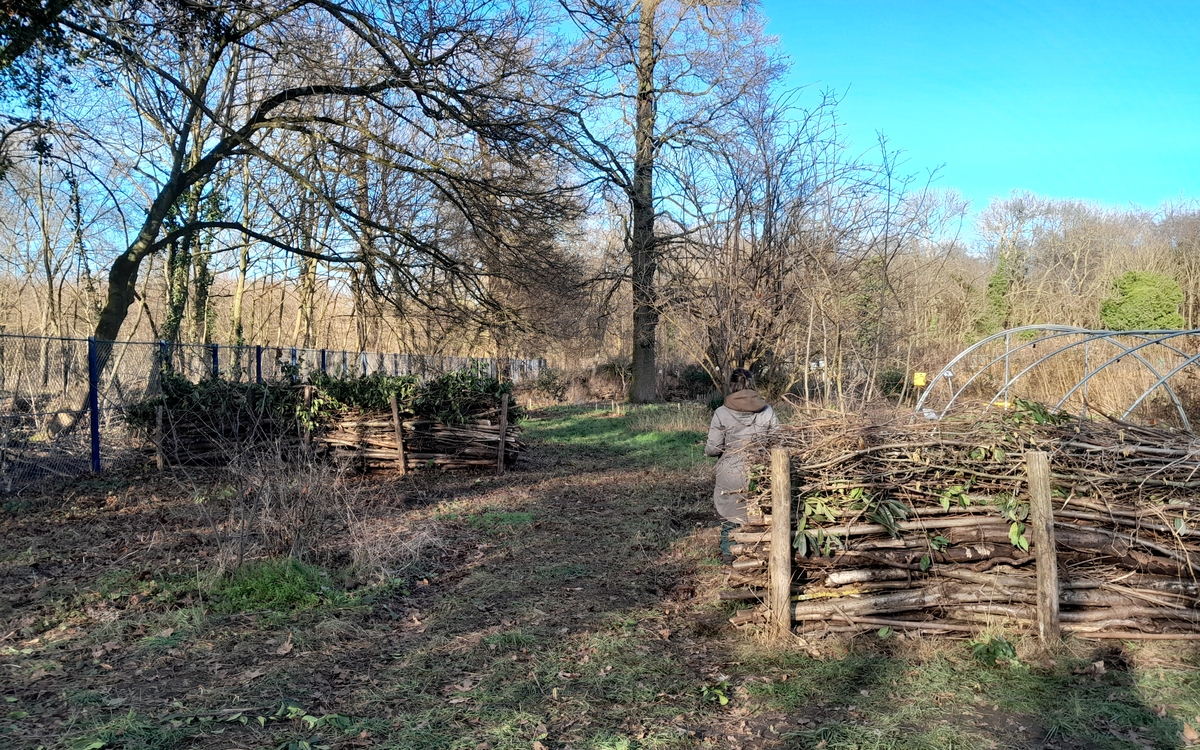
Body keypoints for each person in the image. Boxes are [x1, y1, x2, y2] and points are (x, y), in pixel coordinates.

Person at [704, 368, 778, 564]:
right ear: (752, 385)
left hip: (730, 474)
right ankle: (757, 554)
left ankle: (729, 556)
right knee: (759, 513)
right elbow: (778, 443)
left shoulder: (721, 412)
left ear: (732, 386)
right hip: (760, 473)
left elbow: (712, 449)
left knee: (730, 516)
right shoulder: (767, 411)